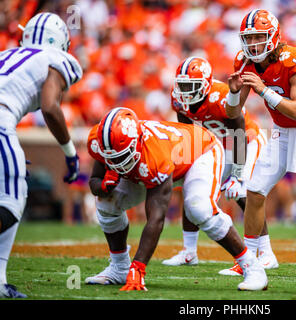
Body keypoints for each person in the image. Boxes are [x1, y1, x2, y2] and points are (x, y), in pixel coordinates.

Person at [84, 107, 268, 291]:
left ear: (137, 141)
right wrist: (102, 186)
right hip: (154, 161)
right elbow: (95, 180)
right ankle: (119, 267)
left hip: (200, 151)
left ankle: (252, 267)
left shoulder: (155, 154)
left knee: (199, 209)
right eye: (112, 159)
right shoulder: (102, 142)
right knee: (106, 203)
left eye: (123, 156)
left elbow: (156, 218)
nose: (117, 163)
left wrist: (139, 267)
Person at [223, 9, 296, 275]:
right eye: (248, 38)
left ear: (272, 36)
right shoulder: (245, 61)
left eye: (259, 37)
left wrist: (263, 90)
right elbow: (232, 114)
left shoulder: (293, 58)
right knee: (255, 190)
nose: (253, 44)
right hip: (281, 131)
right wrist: (234, 94)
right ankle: (250, 260)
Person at [162, 56, 273, 272]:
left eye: (190, 86)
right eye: (182, 85)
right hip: (219, 146)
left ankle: (266, 253)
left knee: (243, 191)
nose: (184, 91)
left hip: (247, 141)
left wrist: (238, 174)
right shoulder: (179, 101)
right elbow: (189, 133)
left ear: (205, 84)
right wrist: (191, 162)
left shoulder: (220, 95)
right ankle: (189, 252)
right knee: (193, 185)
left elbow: (240, 132)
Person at [0, 12, 82, 299]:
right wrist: (70, 154)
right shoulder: (56, 58)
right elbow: (50, 106)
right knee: (10, 203)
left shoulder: (8, 53)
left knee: (13, 186)